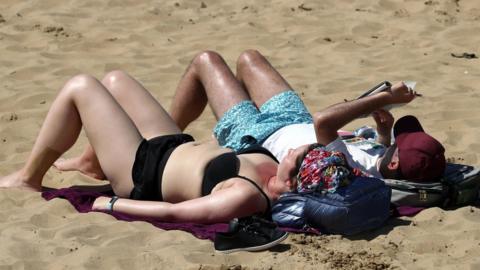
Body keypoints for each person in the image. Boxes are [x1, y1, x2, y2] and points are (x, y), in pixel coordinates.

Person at [55, 50, 446, 183]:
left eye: (399, 145)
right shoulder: (382, 162)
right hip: (292, 117)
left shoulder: (350, 170)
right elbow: (381, 157)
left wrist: (383, 97)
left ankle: (153, 143)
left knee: (205, 62)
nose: (397, 140)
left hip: (258, 136)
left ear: (396, 162)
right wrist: (384, 130)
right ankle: (101, 156)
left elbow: (325, 123)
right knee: (248, 59)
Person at [0, 70, 307, 226]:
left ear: (292, 181)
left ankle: (28, 177)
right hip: (171, 144)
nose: (295, 151)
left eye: (299, 159)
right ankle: (91, 163)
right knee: (115, 80)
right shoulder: (276, 163)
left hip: (141, 174)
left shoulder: (245, 195)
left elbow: (175, 213)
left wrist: (111, 205)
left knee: (81, 86)